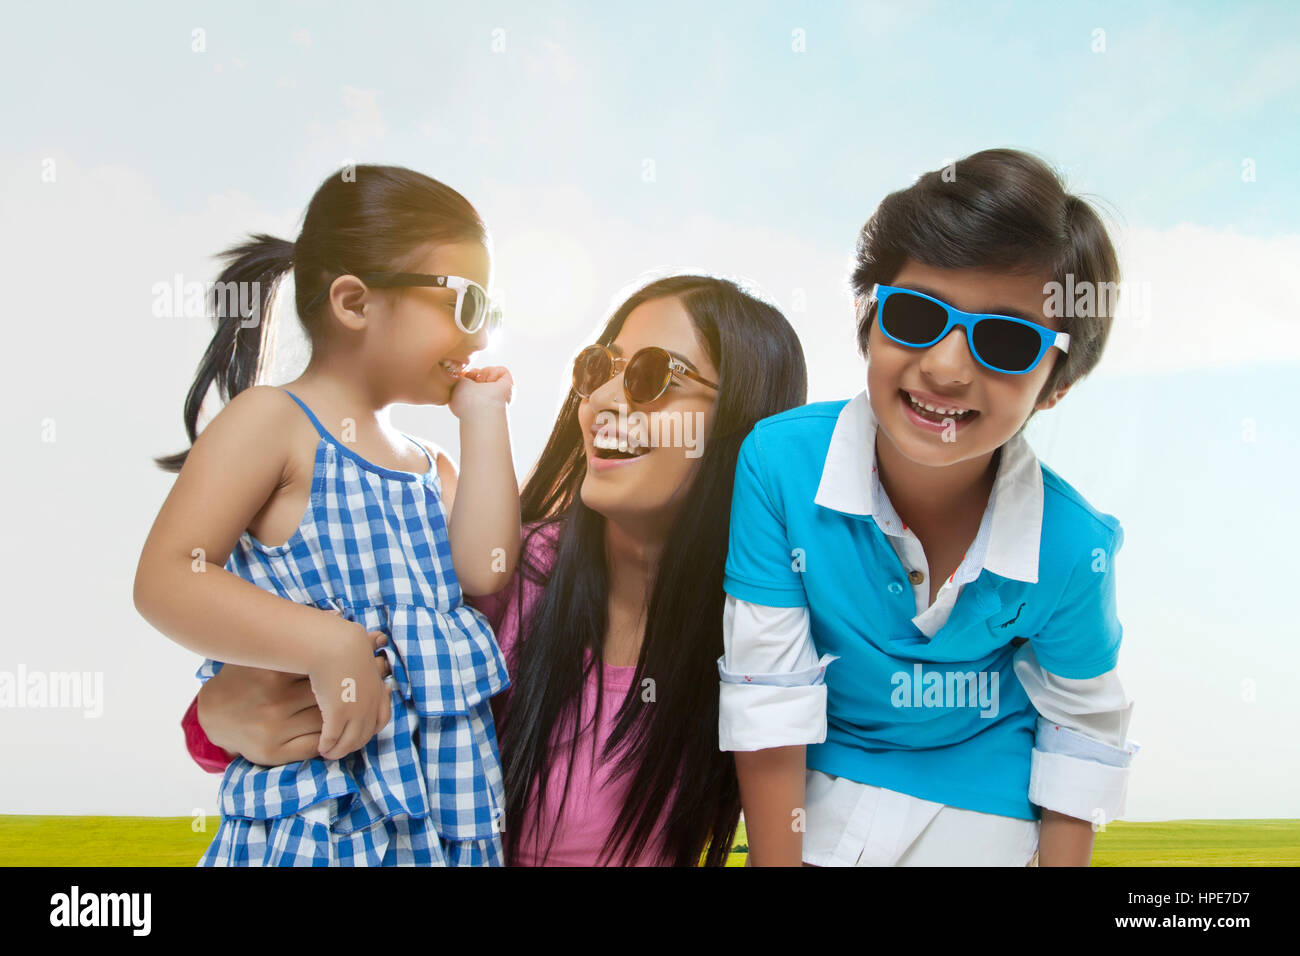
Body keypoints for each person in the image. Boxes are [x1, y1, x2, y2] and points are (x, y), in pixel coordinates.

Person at [181, 274, 808, 865]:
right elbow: (343, 697)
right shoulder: (502, 576)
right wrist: (214, 723)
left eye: (652, 376)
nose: (605, 402)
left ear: (740, 420)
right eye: (601, 368)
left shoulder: (770, 627)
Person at [720, 148, 1140, 867]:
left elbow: (1082, 735)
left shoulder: (1073, 547)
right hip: (821, 790)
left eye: (1007, 340)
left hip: (987, 805)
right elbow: (771, 700)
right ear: (869, 319)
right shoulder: (780, 464)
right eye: (915, 314)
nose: (946, 367)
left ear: (1055, 385)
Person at [134, 164, 520, 866]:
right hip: (316, 823)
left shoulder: (431, 468)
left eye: (490, 315)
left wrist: (485, 420)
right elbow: (166, 578)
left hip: (439, 828)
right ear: (353, 302)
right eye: (467, 307)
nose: (482, 338)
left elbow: (487, 567)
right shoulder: (274, 423)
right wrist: (325, 643)